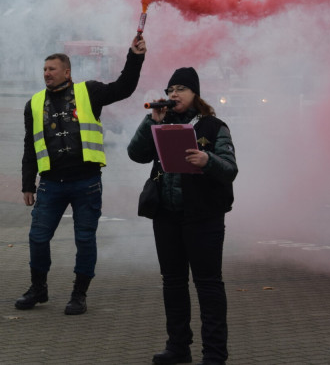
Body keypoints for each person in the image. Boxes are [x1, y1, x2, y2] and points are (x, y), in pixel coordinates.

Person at [16, 35, 147, 315]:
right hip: (51, 183)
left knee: (85, 239)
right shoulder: (34, 103)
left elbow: (124, 87)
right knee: (38, 237)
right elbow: (30, 145)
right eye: (44, 70)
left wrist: (135, 57)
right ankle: (38, 289)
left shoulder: (90, 91)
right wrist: (28, 183)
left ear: (67, 72)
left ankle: (79, 294)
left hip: (86, 182)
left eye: (52, 69)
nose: (46, 74)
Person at [127, 67, 237, 365]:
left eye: (181, 89)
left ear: (195, 94)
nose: (173, 95)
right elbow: (135, 154)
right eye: (170, 89)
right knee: (173, 282)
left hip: (203, 217)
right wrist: (150, 122)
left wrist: (207, 159)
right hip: (167, 215)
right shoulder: (161, 122)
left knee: (208, 284)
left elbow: (230, 169)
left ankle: (214, 354)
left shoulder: (214, 127)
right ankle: (178, 346)